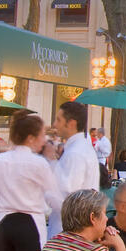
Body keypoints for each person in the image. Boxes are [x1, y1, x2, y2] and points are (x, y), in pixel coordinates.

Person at [0, 112, 66, 251]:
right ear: (30, 138)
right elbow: (53, 195)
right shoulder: (38, 163)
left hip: (3, 224)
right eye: (42, 135)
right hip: (30, 225)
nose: (44, 140)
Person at [50, 101, 100, 236]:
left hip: (66, 233)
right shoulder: (80, 149)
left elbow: (67, 198)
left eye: (59, 120)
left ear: (71, 123)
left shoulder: (75, 154)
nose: (55, 124)